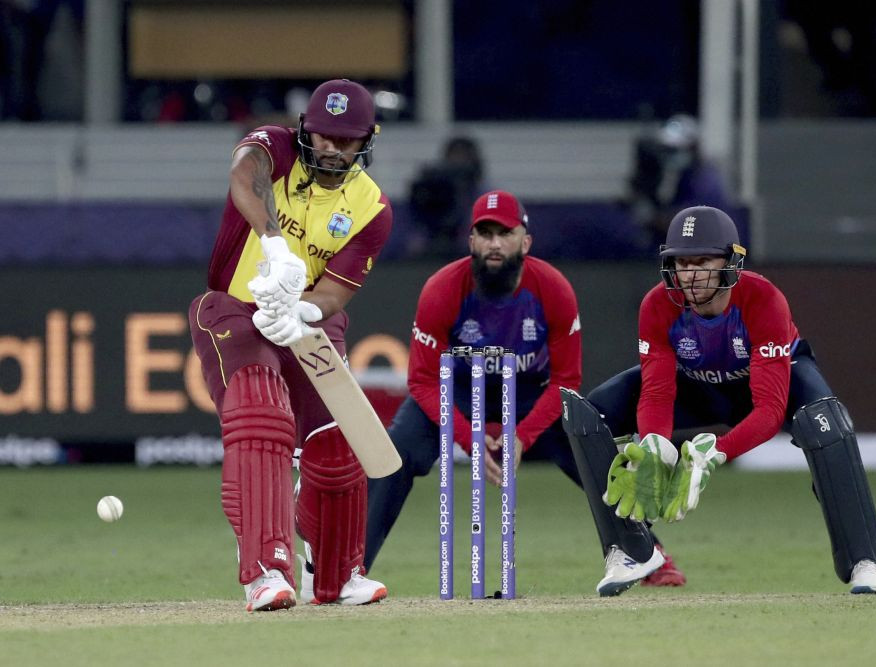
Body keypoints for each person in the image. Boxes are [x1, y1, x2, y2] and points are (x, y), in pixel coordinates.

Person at [365, 189, 686, 595]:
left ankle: (646, 553)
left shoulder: (552, 289)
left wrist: (523, 435)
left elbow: (566, 379)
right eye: (485, 233)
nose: (495, 243)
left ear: (525, 241)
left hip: (531, 393)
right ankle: (353, 567)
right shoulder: (443, 288)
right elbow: (423, 382)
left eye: (505, 233)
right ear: (471, 241)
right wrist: (468, 436)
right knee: (396, 452)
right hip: (461, 390)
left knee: (590, 448)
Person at [561, 205, 876, 594]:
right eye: (681, 263)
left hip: (770, 383)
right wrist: (655, 442)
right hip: (695, 386)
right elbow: (656, 390)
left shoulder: (763, 298)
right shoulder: (657, 304)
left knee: (826, 423)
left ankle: (866, 561)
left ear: (731, 263)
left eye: (702, 260)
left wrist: (714, 452)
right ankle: (633, 548)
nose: (690, 274)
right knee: (588, 416)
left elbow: (769, 411)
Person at [188, 79, 392, 611]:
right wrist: (275, 247)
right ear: (305, 128)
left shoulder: (372, 208)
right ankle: (265, 572)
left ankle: (335, 573)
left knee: (337, 434)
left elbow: (336, 291)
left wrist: (304, 310)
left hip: (303, 323)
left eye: (343, 141)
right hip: (233, 310)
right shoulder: (276, 147)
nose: (329, 147)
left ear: (368, 139)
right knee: (261, 416)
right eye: (321, 135)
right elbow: (243, 176)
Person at [627, 115, 731, 250]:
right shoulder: (686, 176)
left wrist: (650, 217)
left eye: (674, 150)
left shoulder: (705, 181)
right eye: (666, 149)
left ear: (693, 148)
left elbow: (687, 225)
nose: (669, 155)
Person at [408, 135, 488, 257]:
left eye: (464, 159)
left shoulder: (486, 196)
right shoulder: (434, 194)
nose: (459, 164)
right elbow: (414, 237)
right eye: (454, 158)